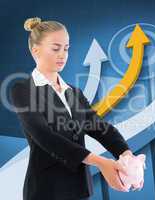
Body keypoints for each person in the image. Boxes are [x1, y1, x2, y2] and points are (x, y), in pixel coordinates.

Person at [10, 17, 136, 200]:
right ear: (35, 50)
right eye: (55, 48)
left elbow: (100, 128)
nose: (62, 55)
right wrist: (101, 163)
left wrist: (127, 157)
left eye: (66, 48)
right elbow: (45, 137)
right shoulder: (22, 90)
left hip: (79, 189)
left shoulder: (74, 92)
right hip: (46, 190)